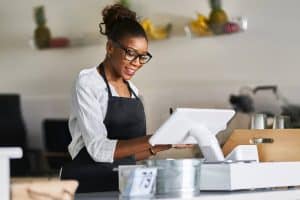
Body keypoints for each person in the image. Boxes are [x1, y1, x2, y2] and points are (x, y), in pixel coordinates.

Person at [61, 3, 191, 193]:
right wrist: (154, 138)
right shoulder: (88, 82)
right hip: (89, 186)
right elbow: (98, 149)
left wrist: (167, 142)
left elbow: (131, 155)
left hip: (127, 185)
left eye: (142, 57)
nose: (137, 63)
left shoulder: (135, 92)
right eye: (131, 53)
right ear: (110, 47)